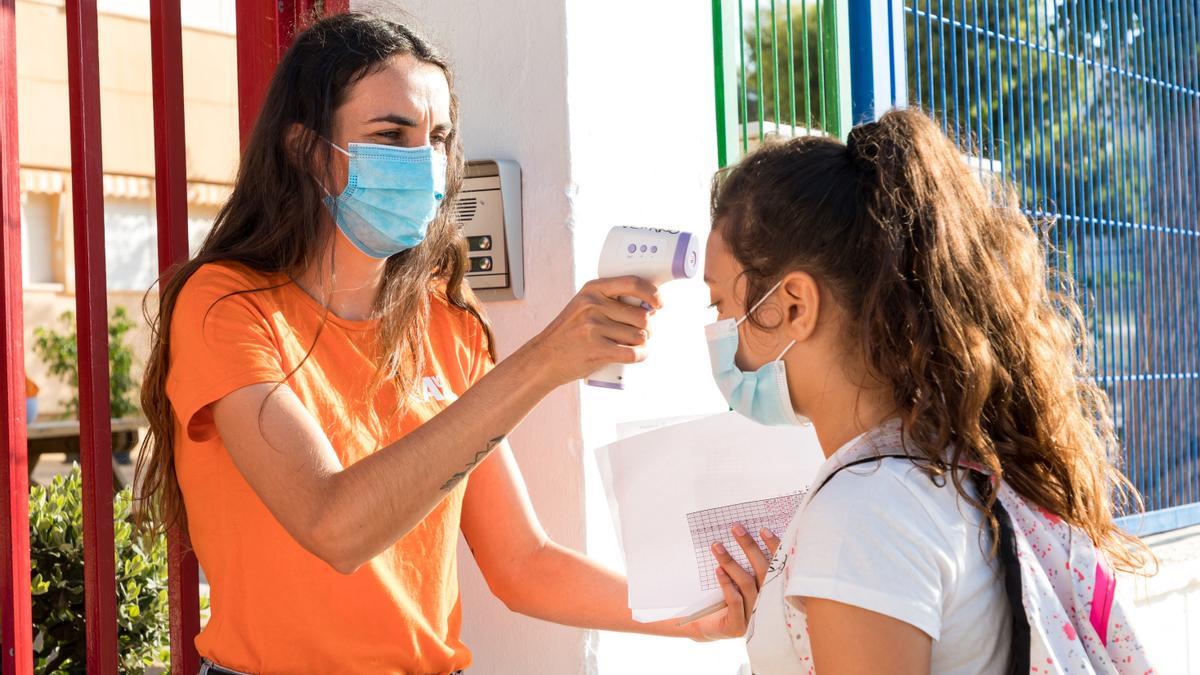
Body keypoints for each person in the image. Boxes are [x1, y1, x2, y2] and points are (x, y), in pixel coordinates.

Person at [135, 12, 765, 674]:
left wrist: (689, 616)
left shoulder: (445, 321)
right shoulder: (227, 307)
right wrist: (542, 364)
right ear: (307, 150)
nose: (424, 162)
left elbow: (522, 563)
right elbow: (332, 524)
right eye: (391, 135)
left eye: (436, 137)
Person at [700, 108, 1151, 674]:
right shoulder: (948, 468)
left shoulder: (863, 516)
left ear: (795, 305)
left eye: (720, 304)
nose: (718, 333)